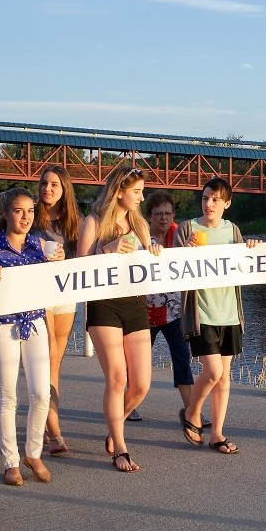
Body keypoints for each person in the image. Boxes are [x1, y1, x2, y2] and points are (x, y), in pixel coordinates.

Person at [75, 166, 162, 472]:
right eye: (137, 191)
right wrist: (106, 249)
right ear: (120, 191)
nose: (141, 197)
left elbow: (148, 262)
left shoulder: (139, 223)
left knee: (141, 384)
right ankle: (121, 448)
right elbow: (78, 267)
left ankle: (115, 425)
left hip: (135, 303)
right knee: (117, 378)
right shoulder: (94, 220)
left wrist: (153, 250)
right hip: (104, 304)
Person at [0, 187, 63, 486]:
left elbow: (53, 286)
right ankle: (11, 461)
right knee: (8, 395)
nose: (25, 217)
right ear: (5, 213)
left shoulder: (41, 246)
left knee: (41, 393)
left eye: (30, 211)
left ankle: (33, 453)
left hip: (35, 322)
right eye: (18, 211)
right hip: (2, 324)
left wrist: (58, 265)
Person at [174, 177, 260, 454]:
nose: (208, 204)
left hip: (229, 313)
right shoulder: (187, 228)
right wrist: (182, 252)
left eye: (214, 199)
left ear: (227, 203)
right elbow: (169, 269)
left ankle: (218, 434)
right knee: (213, 371)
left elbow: (244, 265)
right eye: (205, 198)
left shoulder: (232, 230)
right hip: (202, 312)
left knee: (224, 377)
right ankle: (192, 412)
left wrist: (253, 248)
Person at [140, 190, 210, 427]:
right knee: (137, 362)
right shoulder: (139, 237)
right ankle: (127, 406)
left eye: (168, 213)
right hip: (143, 311)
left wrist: (191, 250)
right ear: (149, 216)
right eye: (158, 213)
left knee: (182, 358)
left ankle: (192, 412)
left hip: (173, 311)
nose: (163, 218)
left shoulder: (181, 235)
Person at [30, 165, 81, 455]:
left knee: (55, 362)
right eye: (44, 183)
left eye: (54, 185)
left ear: (64, 190)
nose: (47, 189)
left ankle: (48, 424)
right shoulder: (30, 214)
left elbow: (82, 255)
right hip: (40, 292)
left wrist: (66, 257)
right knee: (48, 355)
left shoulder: (74, 220)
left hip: (66, 292)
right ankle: (55, 431)